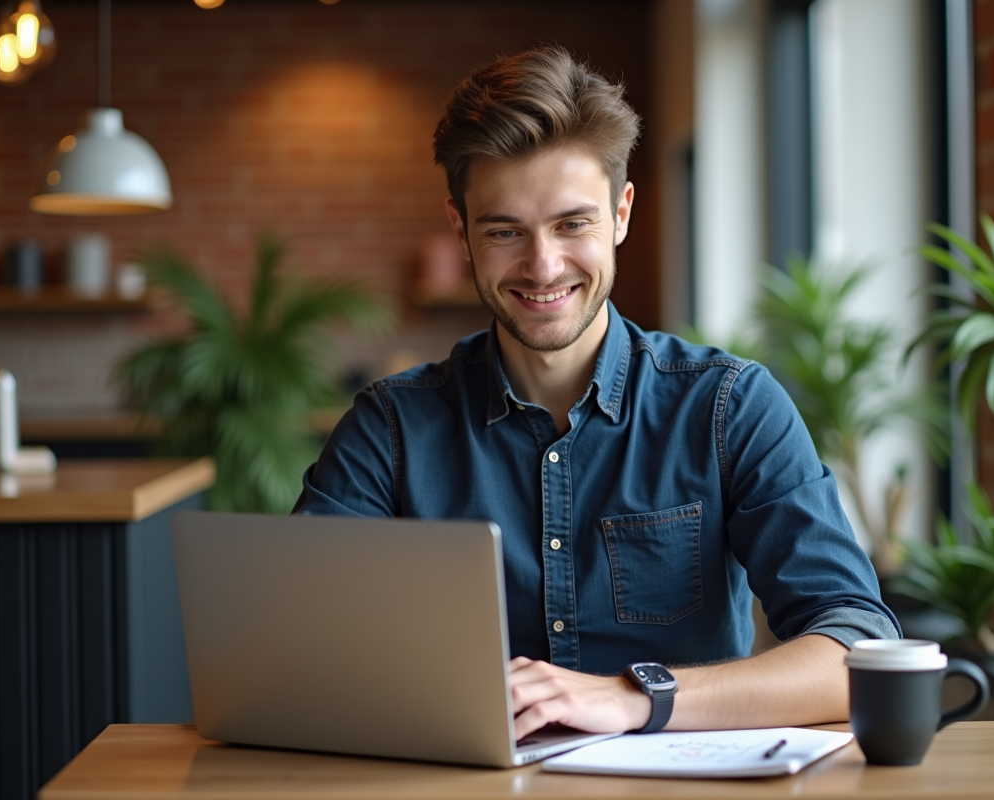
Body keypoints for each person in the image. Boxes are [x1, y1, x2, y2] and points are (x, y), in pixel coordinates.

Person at [294, 45, 899, 740]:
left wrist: (633, 697)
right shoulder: (390, 428)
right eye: (504, 231)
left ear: (621, 213)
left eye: (572, 224)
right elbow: (303, 648)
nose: (542, 265)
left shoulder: (730, 407)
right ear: (461, 233)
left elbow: (855, 651)